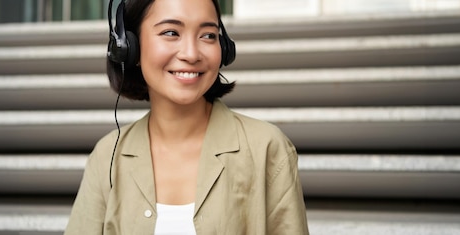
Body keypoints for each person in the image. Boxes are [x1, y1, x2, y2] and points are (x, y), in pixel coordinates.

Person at [64, 0, 309, 234]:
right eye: (171, 33)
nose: (191, 54)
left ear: (223, 49)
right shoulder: (108, 155)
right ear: (129, 47)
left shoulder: (266, 147)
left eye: (208, 35)